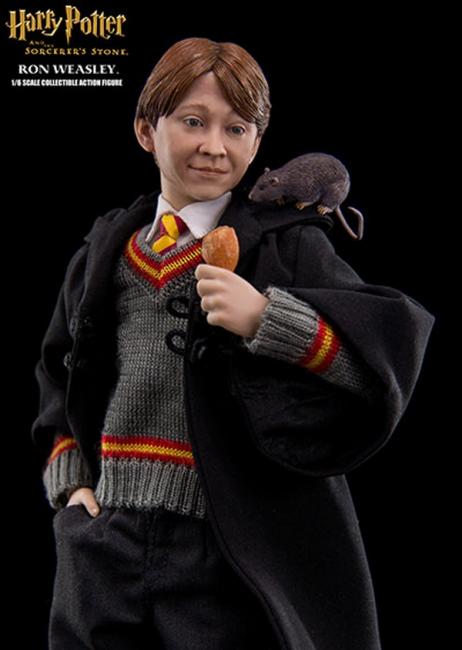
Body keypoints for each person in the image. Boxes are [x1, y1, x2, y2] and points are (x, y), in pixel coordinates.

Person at [31, 37, 435, 650]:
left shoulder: (286, 246)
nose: (214, 146)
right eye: (193, 121)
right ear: (146, 130)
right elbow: (59, 373)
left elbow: (377, 370)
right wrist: (71, 488)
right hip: (107, 535)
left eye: (237, 128)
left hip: (227, 544)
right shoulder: (106, 251)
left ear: (257, 142)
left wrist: (269, 319)